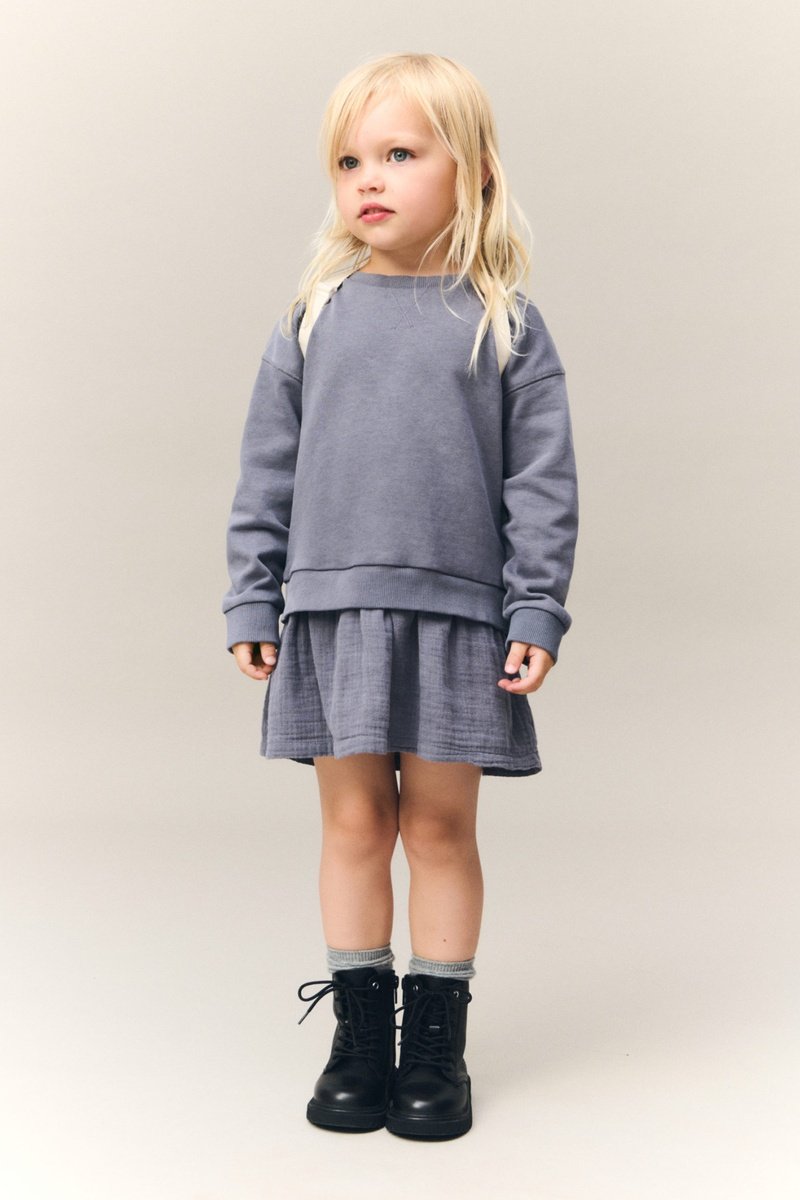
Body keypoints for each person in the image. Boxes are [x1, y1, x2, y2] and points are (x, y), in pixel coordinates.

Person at [221, 52, 578, 1140]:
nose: (368, 178)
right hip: (333, 612)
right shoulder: (312, 316)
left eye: (398, 153)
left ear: (471, 172)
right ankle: (359, 1037)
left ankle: (435, 1041)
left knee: (438, 826)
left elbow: (542, 483)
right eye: (348, 161)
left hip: (458, 617)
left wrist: (535, 608)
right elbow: (266, 471)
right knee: (352, 822)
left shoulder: (503, 323)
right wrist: (251, 598)